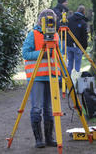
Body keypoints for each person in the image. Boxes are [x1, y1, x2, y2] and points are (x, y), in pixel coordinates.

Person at [22, 9, 62, 148]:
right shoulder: (32, 34)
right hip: (37, 77)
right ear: (40, 20)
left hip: (51, 76)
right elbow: (25, 53)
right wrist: (42, 54)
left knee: (49, 108)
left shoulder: (56, 35)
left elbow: (59, 55)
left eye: (53, 20)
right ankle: (39, 139)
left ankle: (49, 138)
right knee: (36, 108)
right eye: (48, 20)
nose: (51, 23)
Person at [66, 5, 88, 75]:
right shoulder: (83, 22)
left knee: (70, 63)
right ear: (83, 12)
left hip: (69, 44)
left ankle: (68, 81)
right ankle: (75, 81)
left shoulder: (69, 19)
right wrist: (84, 48)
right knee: (77, 66)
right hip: (78, 46)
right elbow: (84, 37)